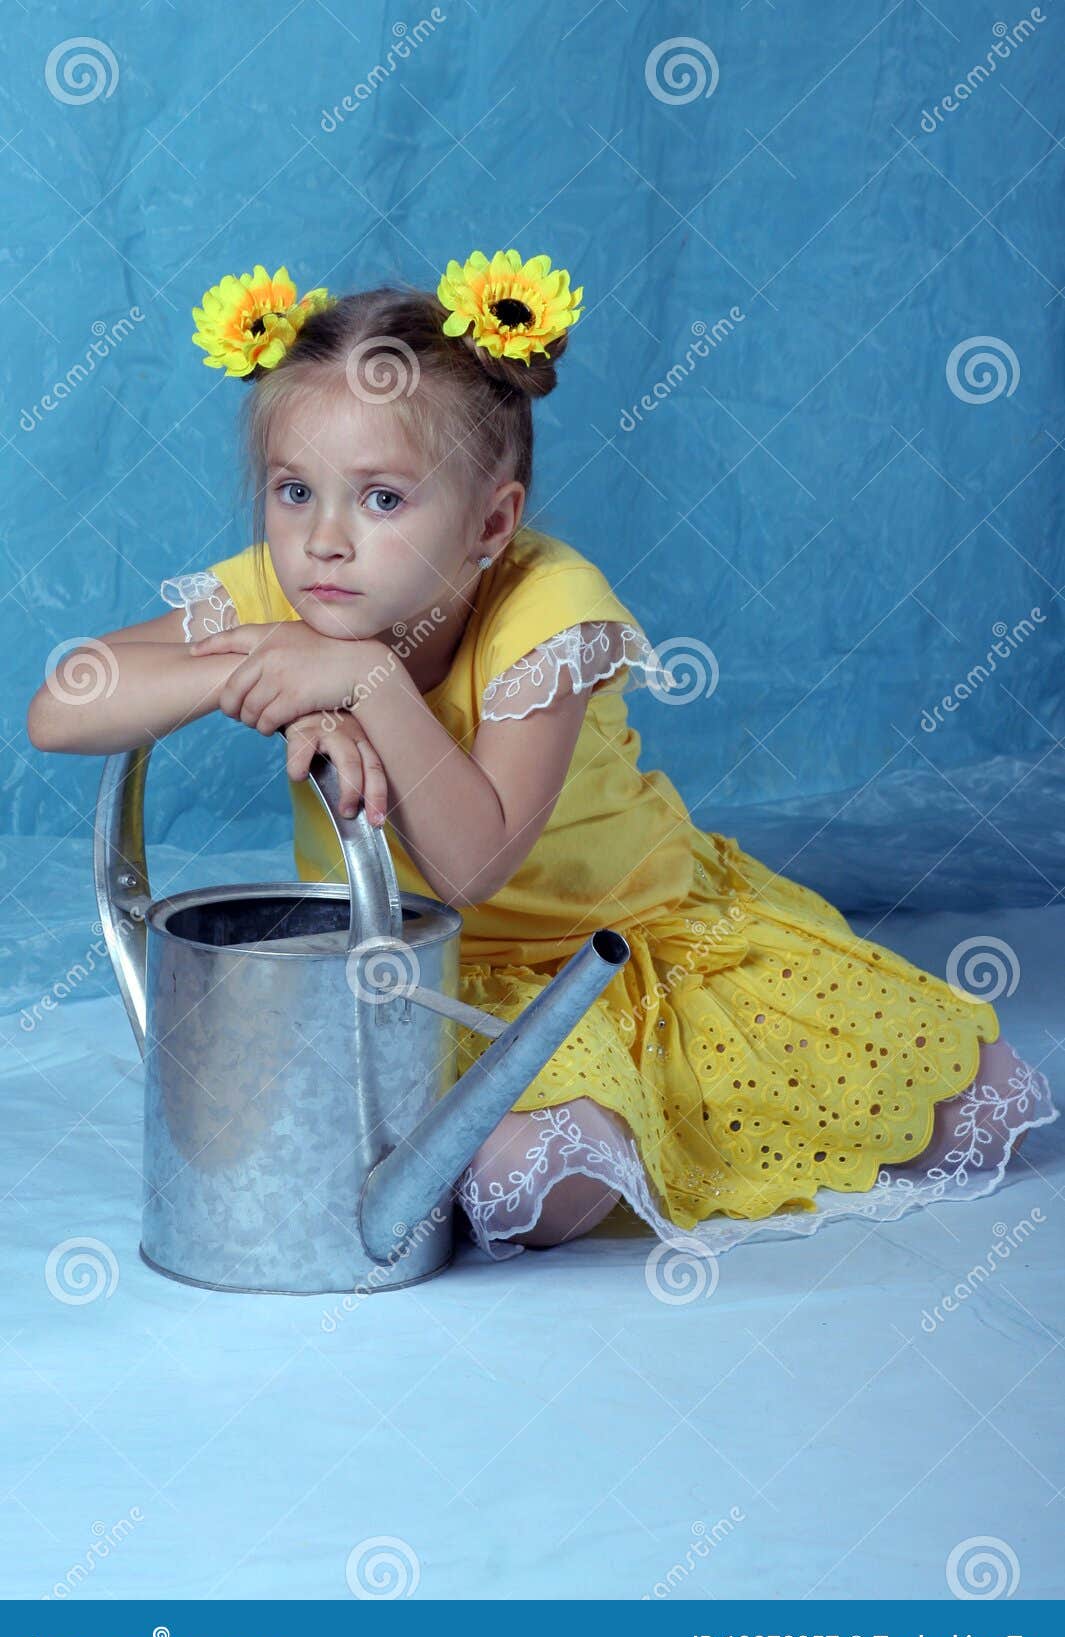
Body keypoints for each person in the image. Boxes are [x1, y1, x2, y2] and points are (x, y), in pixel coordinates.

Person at [27, 250, 1058, 1265]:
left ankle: (646, 1117)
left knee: (966, 1098)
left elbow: (475, 862)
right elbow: (60, 707)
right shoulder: (292, 596)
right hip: (410, 974)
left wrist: (363, 685)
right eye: (294, 491)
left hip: (615, 949)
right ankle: (561, 1141)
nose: (324, 540)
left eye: (382, 498)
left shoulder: (547, 611)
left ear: (490, 522)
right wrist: (237, 669)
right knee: (509, 1168)